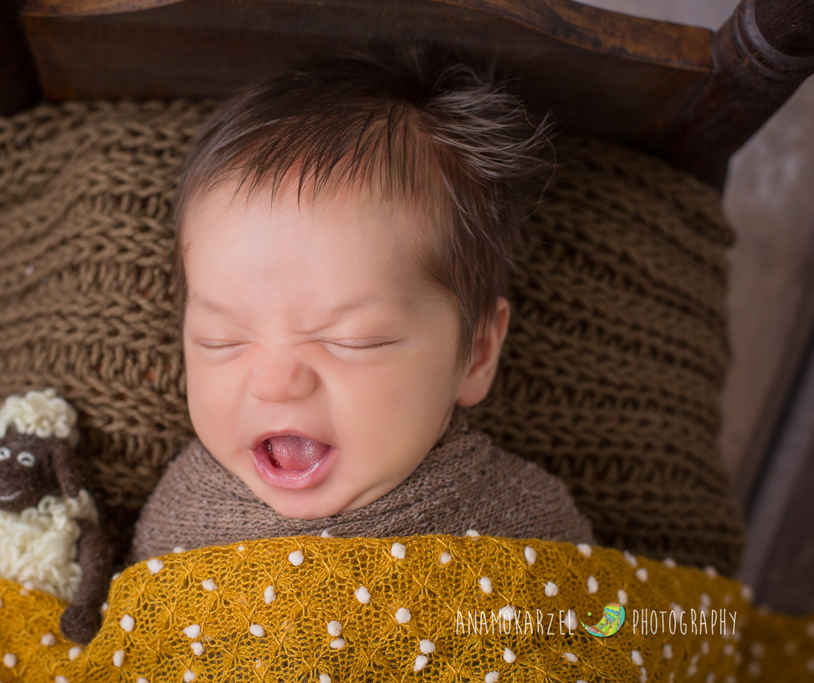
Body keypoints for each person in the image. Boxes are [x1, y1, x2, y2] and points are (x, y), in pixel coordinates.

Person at [131, 46, 595, 563]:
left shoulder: (526, 526)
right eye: (221, 340)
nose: (275, 382)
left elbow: (605, 617)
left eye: (353, 340)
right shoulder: (176, 521)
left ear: (477, 352)